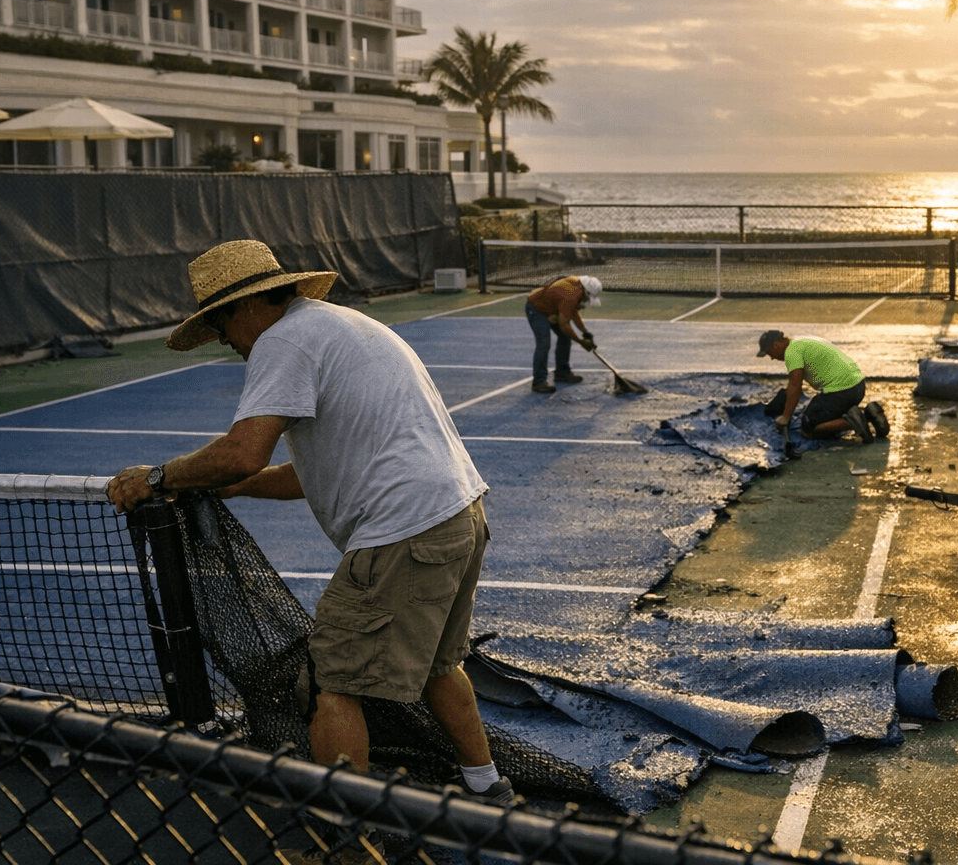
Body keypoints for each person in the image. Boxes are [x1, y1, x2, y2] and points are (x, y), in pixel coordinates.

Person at [104, 241, 515, 842]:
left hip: (402, 532)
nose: (223, 338)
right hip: (458, 515)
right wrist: (231, 490)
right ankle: (489, 788)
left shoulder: (281, 342)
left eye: (219, 322)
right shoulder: (339, 327)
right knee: (437, 663)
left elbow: (243, 451)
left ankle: (348, 832)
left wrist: (158, 477)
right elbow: (305, 475)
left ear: (245, 308)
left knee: (331, 682)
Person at [756, 329, 886, 443]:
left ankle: (852, 421)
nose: (772, 358)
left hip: (841, 392)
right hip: (858, 386)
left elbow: (795, 386)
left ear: (776, 345)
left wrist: (785, 417)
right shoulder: (802, 341)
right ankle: (869, 413)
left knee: (809, 428)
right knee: (825, 411)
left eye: (769, 353)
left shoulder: (791, 352)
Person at [524, 275, 600, 393]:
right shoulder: (571, 294)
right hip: (536, 308)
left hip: (551, 307)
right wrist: (581, 342)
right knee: (544, 343)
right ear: (586, 291)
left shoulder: (577, 286)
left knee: (564, 339)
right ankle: (539, 382)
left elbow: (573, 312)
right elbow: (564, 326)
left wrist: (585, 332)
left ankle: (562, 373)